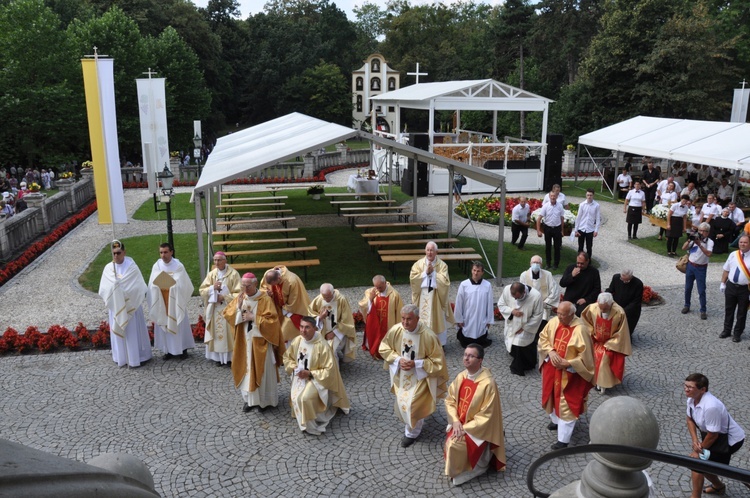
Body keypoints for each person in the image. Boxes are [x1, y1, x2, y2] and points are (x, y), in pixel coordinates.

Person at [379, 304, 448, 448]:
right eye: (403, 319)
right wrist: (398, 360)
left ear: (417, 318)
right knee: (402, 403)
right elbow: (384, 348)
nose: (405, 323)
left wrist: (416, 364)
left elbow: (437, 361)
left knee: (412, 404)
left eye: (409, 319)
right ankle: (414, 425)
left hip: (421, 378)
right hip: (401, 376)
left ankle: (411, 433)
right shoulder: (397, 330)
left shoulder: (428, 335)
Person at [444, 344, 506, 486]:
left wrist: (465, 428)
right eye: (465, 354)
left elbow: (487, 415)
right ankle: (460, 469)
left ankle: (478, 466)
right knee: (453, 440)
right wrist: (455, 421)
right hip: (459, 423)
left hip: (478, 429)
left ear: (480, 360)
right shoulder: (461, 376)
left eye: (471, 356)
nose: (466, 358)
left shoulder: (488, 384)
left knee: (454, 444)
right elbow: (450, 400)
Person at [224, 273, 285, 412]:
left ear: (255, 284)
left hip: (261, 342)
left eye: (248, 286)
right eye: (243, 286)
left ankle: (264, 401)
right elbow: (228, 314)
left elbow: (273, 322)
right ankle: (249, 401)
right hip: (244, 341)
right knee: (247, 371)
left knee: (263, 371)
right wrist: (239, 309)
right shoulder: (240, 297)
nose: (245, 289)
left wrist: (254, 318)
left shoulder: (265, 299)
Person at [538, 301, 594, 450]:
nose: (559, 317)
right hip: (552, 370)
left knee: (567, 403)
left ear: (571, 314)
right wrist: (550, 351)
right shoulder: (554, 322)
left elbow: (586, 357)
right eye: (558, 313)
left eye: (563, 315)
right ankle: (556, 421)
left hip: (570, 375)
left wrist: (569, 363)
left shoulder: (580, 330)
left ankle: (563, 440)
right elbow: (543, 338)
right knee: (551, 395)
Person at [283, 316, 350, 435]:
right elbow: (288, 357)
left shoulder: (322, 345)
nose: (303, 330)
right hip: (300, 377)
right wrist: (293, 367)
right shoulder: (298, 340)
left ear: (314, 328)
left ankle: (311, 426)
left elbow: (329, 370)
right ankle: (304, 418)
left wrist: (310, 373)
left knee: (304, 398)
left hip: (316, 379)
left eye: (307, 327)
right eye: (301, 327)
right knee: (296, 397)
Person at [684, 373, 746, 497]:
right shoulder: (691, 399)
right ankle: (718, 487)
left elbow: (713, 435)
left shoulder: (711, 406)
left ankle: (696, 496)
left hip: (729, 440)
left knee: (698, 464)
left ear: (703, 390)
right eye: (685, 386)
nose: (686, 389)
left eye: (690, 387)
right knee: (707, 464)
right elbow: (689, 419)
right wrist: (695, 441)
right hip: (714, 437)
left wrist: (698, 451)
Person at [98, 240, 152, 368]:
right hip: (116, 306)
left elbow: (138, 285)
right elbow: (104, 288)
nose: (116, 256)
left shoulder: (131, 266)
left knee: (133, 332)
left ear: (124, 252)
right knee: (120, 331)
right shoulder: (108, 268)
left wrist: (122, 286)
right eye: (114, 253)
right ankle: (121, 357)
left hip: (131, 306)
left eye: (119, 253)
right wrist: (114, 286)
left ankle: (137, 356)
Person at [148, 242, 195, 360]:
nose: (163, 255)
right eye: (161, 252)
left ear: (171, 252)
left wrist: (171, 285)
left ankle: (182, 349)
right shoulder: (157, 266)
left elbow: (182, 283)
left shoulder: (178, 266)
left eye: (165, 252)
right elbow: (152, 284)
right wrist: (159, 285)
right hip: (162, 301)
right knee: (164, 323)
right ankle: (167, 350)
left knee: (179, 324)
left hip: (175, 301)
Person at [580, 293, 631, 393]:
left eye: (605, 308)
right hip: (595, 341)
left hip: (610, 343)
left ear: (611, 304)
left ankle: (603, 383)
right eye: (601, 308)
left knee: (604, 358)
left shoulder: (619, 312)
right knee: (588, 355)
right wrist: (591, 333)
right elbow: (585, 322)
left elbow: (622, 332)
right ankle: (590, 379)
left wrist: (611, 344)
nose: (602, 311)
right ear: (598, 303)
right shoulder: (592, 308)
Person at [199, 251, 241, 365]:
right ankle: (218, 358)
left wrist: (224, 297)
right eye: (215, 260)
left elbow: (240, 293)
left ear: (225, 260)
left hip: (228, 309)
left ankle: (229, 358)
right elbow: (202, 291)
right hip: (215, 308)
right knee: (217, 334)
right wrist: (212, 288)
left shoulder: (233, 274)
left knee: (228, 334)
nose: (217, 262)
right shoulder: (212, 274)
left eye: (219, 260)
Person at [409, 241, 454, 346]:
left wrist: (433, 273)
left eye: (432, 250)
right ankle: (422, 345)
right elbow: (413, 279)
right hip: (422, 297)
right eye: (428, 250)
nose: (429, 253)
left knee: (438, 319)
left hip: (436, 298)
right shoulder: (418, 264)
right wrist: (425, 273)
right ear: (425, 251)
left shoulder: (442, 265)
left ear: (436, 252)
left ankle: (439, 344)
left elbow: (445, 282)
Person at [498, 282, 544, 376]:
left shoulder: (535, 296)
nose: (515, 299)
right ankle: (515, 356)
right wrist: (512, 311)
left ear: (524, 292)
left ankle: (523, 365)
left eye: (517, 297)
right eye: (513, 297)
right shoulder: (507, 289)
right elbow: (501, 304)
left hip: (527, 326)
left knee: (521, 343)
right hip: (512, 324)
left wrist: (525, 328)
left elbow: (538, 315)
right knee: (513, 343)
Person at [261, 265, 311, 342]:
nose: (274, 286)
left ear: (279, 278)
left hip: (290, 310)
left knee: (285, 331)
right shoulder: (268, 274)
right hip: (275, 306)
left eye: (275, 284)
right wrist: (266, 293)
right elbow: (263, 288)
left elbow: (294, 300)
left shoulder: (292, 281)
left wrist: (284, 310)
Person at [358, 275, 404, 360]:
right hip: (375, 322)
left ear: (385, 283)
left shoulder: (394, 295)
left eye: (380, 287)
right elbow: (363, 306)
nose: (378, 289)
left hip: (388, 323)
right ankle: (375, 350)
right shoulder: (371, 292)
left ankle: (387, 351)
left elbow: (399, 312)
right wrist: (370, 300)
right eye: (376, 287)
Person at [309, 283, 356, 364]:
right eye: (324, 297)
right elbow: (310, 314)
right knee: (317, 348)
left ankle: (334, 371)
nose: (326, 299)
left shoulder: (341, 300)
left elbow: (347, 321)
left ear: (333, 292)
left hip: (338, 331)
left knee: (330, 349)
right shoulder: (319, 299)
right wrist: (320, 317)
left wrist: (334, 332)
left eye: (328, 297)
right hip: (322, 330)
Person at [453, 262, 495, 348]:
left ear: (482, 272)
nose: (476, 273)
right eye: (474, 270)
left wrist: (489, 320)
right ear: (471, 270)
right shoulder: (464, 285)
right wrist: (459, 319)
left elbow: (490, 303)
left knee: (480, 332)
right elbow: (459, 302)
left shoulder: (487, 285)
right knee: (466, 336)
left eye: (478, 271)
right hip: (468, 316)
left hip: (481, 316)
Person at [719, 235, 750, 342]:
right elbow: (726, 270)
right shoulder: (733, 255)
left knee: (742, 312)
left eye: (745, 242)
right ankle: (726, 330)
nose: (742, 244)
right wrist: (723, 283)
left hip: (745, 289)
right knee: (729, 310)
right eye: (741, 242)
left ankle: (737, 333)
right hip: (731, 286)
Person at [682, 223, 713, 320]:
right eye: (700, 230)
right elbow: (683, 248)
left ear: (707, 233)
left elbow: (708, 254)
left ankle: (703, 310)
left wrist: (700, 244)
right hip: (691, 265)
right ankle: (687, 305)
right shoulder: (694, 239)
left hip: (701, 268)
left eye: (703, 231)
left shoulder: (710, 242)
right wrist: (689, 240)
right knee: (688, 288)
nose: (701, 233)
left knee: (701, 290)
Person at [519, 255, 560, 321]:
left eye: (538, 263)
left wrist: (546, 302)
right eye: (534, 262)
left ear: (541, 265)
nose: (535, 264)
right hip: (529, 305)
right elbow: (521, 292)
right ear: (530, 263)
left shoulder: (548, 275)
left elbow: (554, 290)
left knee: (543, 323)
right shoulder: (524, 275)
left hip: (544, 306)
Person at [559, 252, 601, 316]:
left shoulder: (594, 272)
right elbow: (562, 283)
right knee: (564, 314)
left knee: (581, 314)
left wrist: (586, 299)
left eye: (582, 263)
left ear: (587, 261)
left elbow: (597, 289)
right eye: (578, 263)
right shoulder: (571, 268)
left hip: (583, 300)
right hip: (570, 299)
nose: (579, 265)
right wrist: (572, 276)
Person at [605, 269, 644, 335]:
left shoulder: (638, 284)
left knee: (626, 333)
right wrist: (605, 296)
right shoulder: (616, 278)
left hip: (631, 311)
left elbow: (636, 301)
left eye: (626, 281)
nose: (623, 282)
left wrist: (623, 311)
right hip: (617, 306)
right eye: (622, 279)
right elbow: (611, 289)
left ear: (631, 277)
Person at [535, 191, 564, 270]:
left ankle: (556, 264)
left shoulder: (560, 206)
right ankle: (548, 263)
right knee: (548, 247)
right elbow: (539, 218)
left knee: (557, 247)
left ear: (556, 197)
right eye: (551, 196)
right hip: (547, 228)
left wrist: (562, 230)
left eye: (554, 196)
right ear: (549, 197)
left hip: (557, 228)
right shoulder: (546, 206)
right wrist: (538, 230)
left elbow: (562, 218)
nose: (552, 197)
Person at [573, 189, 601, 259]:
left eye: (591, 195)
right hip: (581, 228)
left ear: (593, 196)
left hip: (590, 229)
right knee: (580, 246)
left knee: (589, 247)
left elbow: (597, 219)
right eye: (588, 195)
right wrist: (576, 229)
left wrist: (596, 230)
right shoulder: (582, 205)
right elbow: (578, 217)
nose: (589, 197)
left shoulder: (596, 205)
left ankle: (588, 262)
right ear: (586, 195)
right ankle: (579, 260)